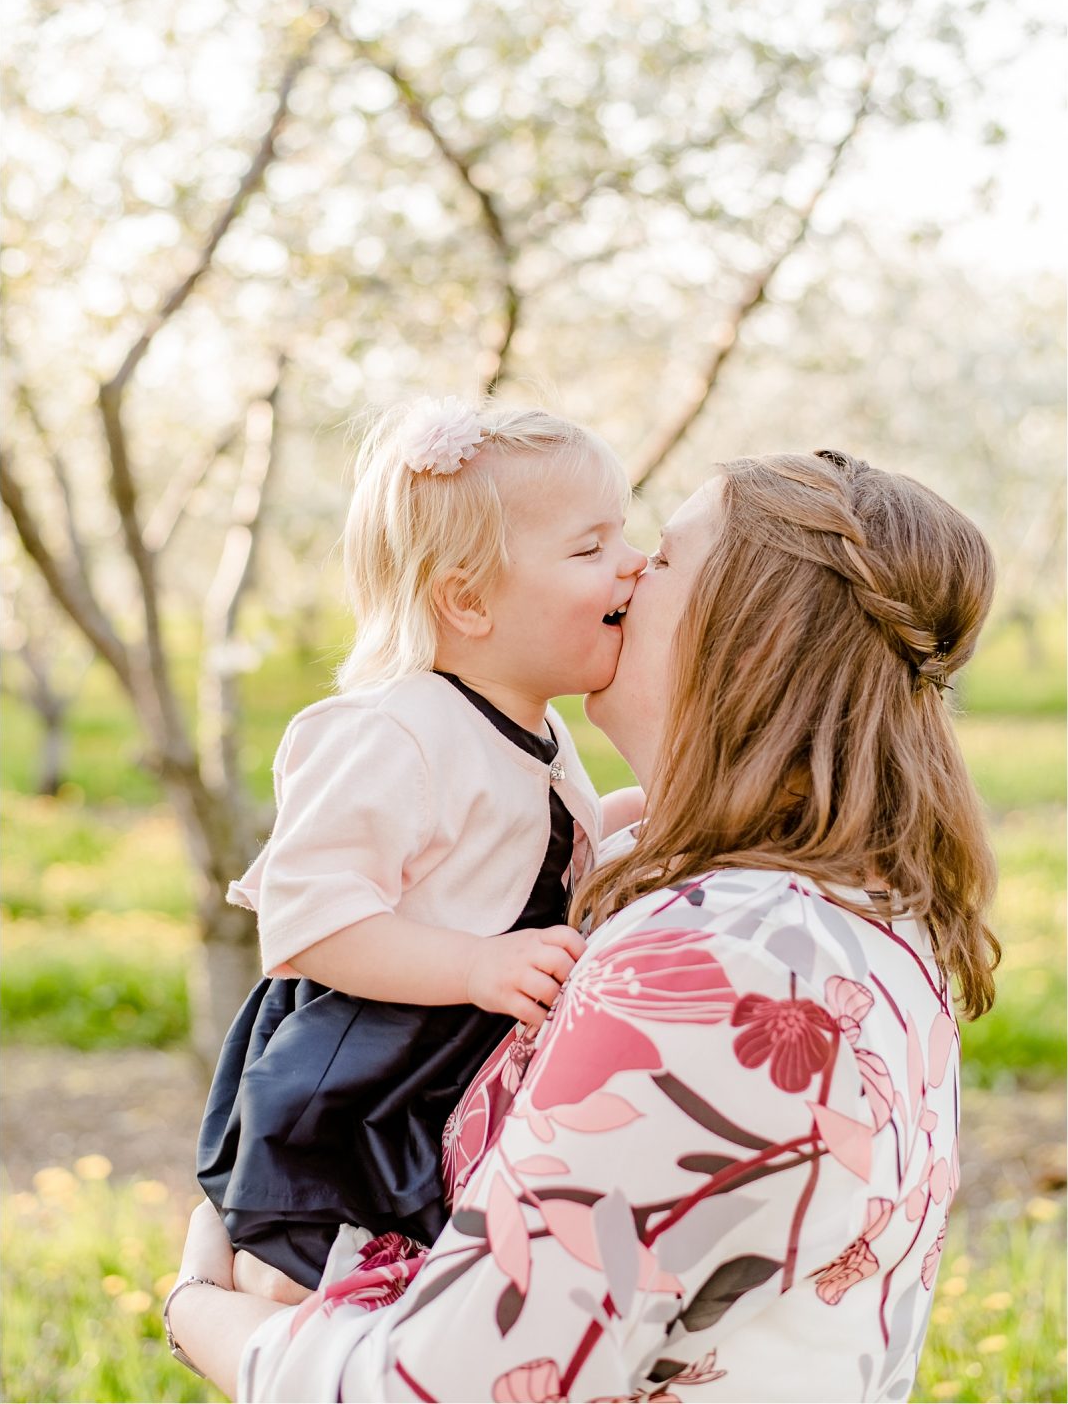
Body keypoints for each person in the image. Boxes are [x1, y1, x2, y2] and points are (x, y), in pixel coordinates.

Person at [170, 449, 999, 1403]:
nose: (630, 570)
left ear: (747, 634)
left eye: (664, 558)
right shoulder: (827, 909)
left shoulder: (714, 966)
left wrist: (200, 1308)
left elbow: (438, 1391)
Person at [196, 396, 646, 1297]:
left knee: (415, 1280)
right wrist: (474, 966)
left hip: (449, 1057)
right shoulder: (393, 729)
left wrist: (656, 817)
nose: (634, 565)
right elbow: (309, 919)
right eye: (590, 549)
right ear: (468, 600)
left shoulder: (535, 722)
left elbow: (540, 853)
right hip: (366, 1066)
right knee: (305, 1276)